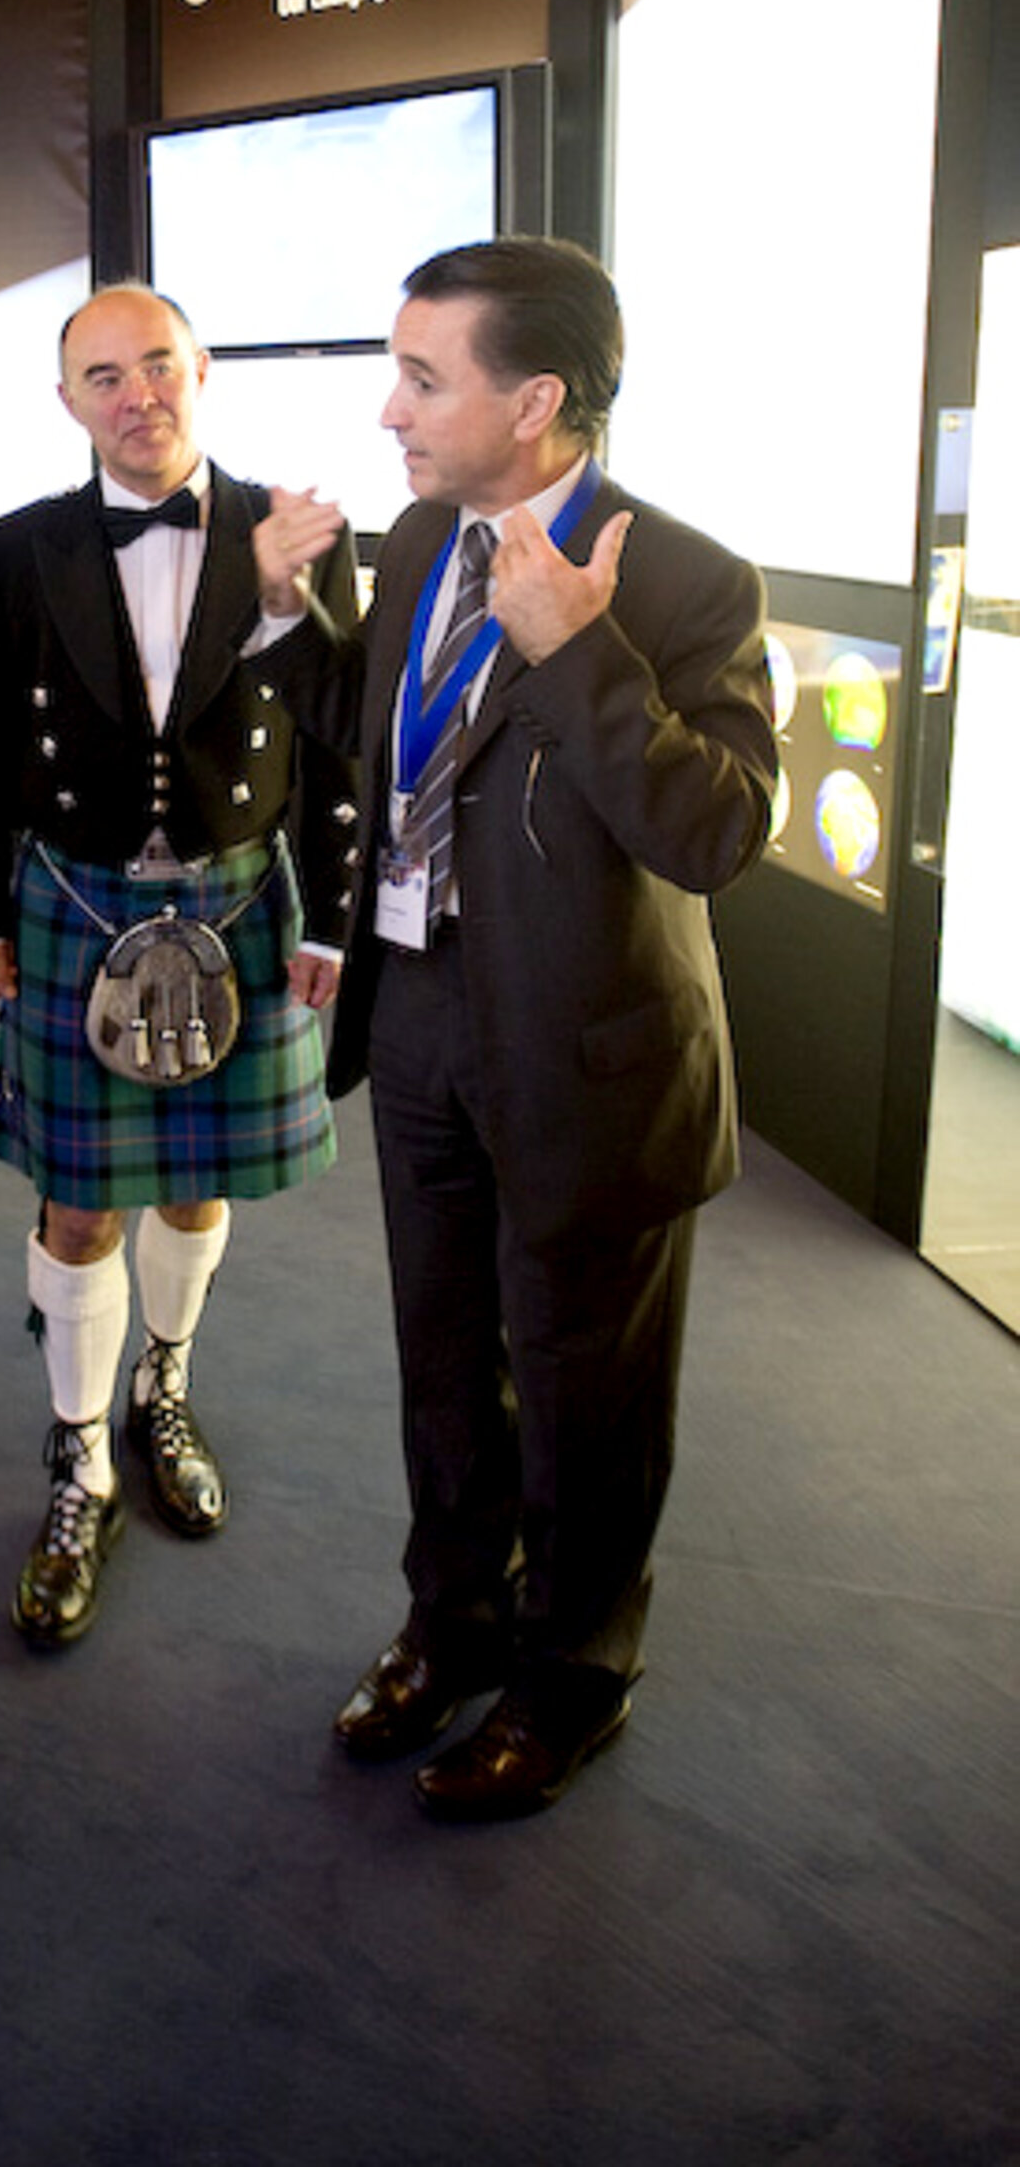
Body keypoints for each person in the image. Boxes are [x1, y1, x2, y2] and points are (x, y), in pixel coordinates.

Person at [254, 235, 775, 1821]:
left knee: (583, 1391)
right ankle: (452, 1624)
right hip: (419, 1019)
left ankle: (572, 1678)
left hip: (590, 1055)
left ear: (537, 397)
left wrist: (580, 654)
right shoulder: (420, 539)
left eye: (424, 376)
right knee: (442, 1358)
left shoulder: (684, 578)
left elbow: (721, 831)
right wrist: (293, 619)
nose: (389, 409)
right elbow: (385, 743)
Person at [0, 282, 358, 1647]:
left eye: (161, 365)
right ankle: (81, 1456)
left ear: (204, 372)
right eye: (104, 374)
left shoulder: (291, 532)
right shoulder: (19, 546)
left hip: (240, 897)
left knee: (200, 1187)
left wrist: (330, 918)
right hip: (76, 891)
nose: (139, 394)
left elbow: (341, 735)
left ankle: (163, 1381)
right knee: (82, 1207)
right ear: (69, 400)